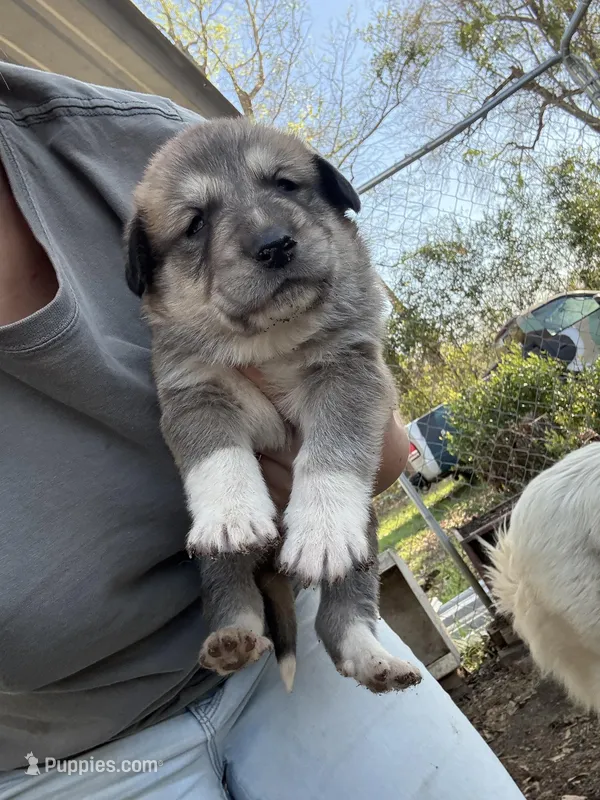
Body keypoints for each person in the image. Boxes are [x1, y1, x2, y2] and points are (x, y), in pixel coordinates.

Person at [0, 62, 524, 799]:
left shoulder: (134, 135)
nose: (267, 232)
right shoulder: (173, 306)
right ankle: (243, 615)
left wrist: (341, 468)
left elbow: (369, 420)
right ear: (147, 273)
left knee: (330, 535)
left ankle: (351, 631)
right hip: (60, 756)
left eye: (284, 186)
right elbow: (195, 413)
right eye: (196, 226)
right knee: (223, 539)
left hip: (303, 642)